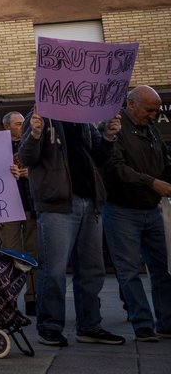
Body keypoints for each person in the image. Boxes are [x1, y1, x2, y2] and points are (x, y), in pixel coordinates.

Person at [18, 106, 125, 347]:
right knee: (54, 271)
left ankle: (89, 325)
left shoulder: (83, 121)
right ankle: (49, 326)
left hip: (89, 201)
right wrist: (34, 134)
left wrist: (108, 137)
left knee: (92, 270)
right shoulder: (39, 116)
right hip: (57, 204)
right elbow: (26, 158)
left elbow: (99, 158)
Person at [101, 85, 171, 342]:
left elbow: (164, 162)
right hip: (122, 210)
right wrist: (152, 183)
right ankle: (142, 324)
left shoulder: (152, 129)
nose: (153, 115)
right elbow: (116, 169)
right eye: (149, 110)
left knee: (163, 268)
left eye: (156, 111)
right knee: (129, 270)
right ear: (131, 104)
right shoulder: (114, 127)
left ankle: (167, 322)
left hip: (152, 209)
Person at [0, 110, 37, 316]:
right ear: (7, 127)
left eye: (24, 122)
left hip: (30, 205)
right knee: (10, 254)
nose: (23, 126)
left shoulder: (31, 144)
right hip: (9, 209)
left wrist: (30, 174)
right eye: (18, 123)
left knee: (33, 254)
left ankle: (33, 299)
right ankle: (9, 300)